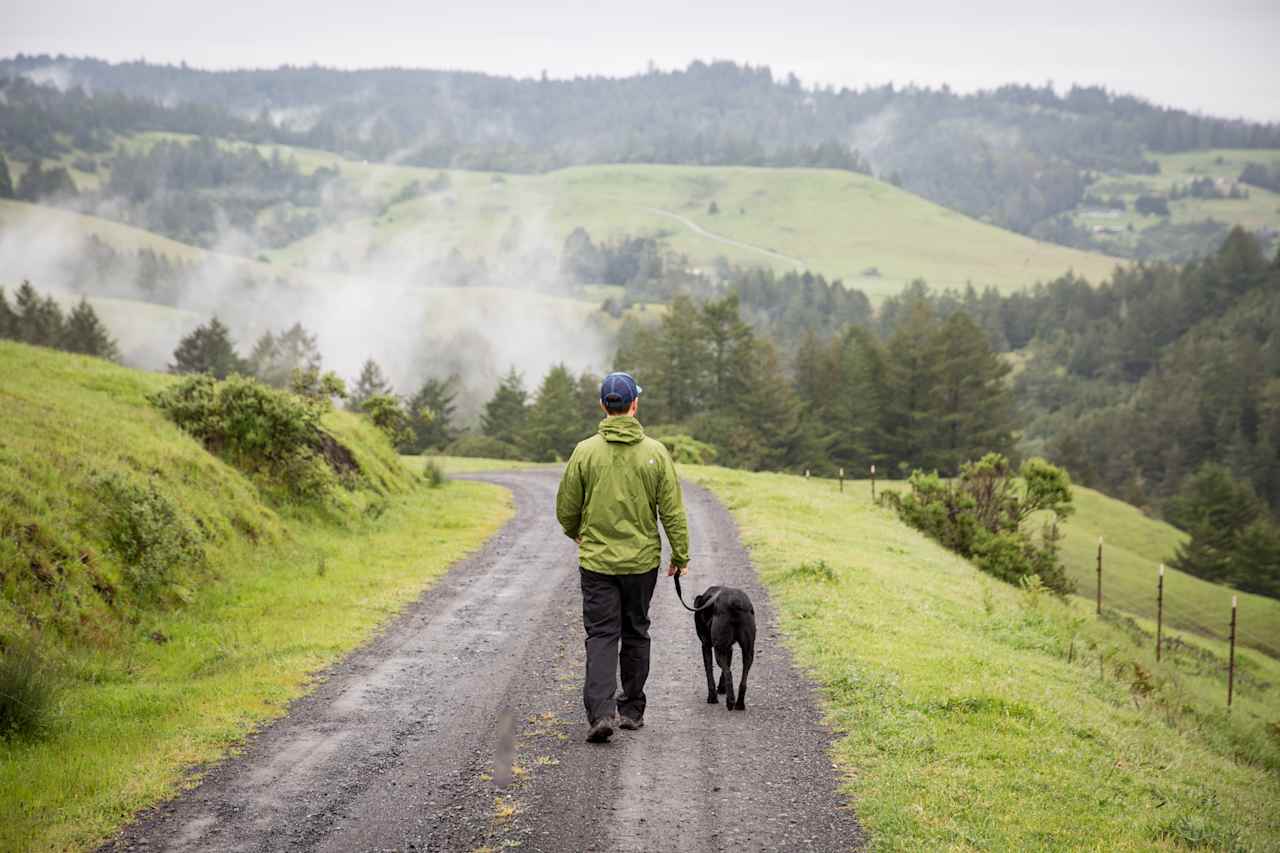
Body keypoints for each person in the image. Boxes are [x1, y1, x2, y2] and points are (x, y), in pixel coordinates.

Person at [555, 371, 690, 743]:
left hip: (597, 563)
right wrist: (680, 553)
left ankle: (601, 712)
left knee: (601, 634)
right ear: (634, 405)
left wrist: (576, 532)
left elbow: (566, 507)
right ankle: (630, 710)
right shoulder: (656, 453)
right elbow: (672, 511)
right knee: (636, 631)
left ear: (603, 406)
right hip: (641, 564)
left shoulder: (584, 452)